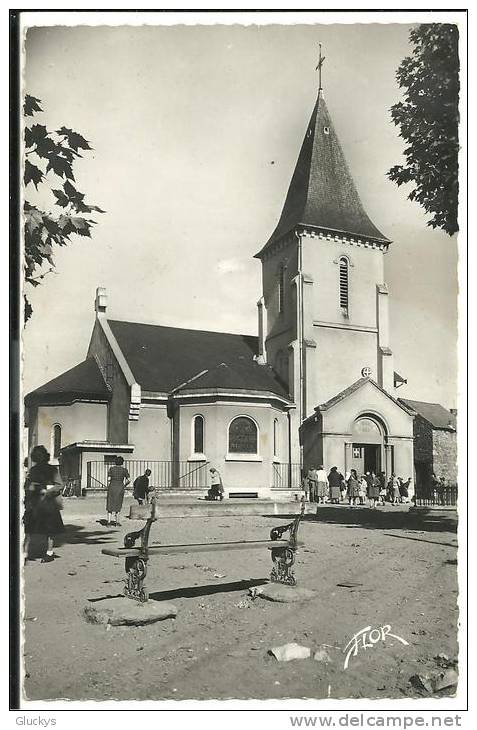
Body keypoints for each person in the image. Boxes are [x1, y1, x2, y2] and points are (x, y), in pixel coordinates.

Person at [24, 445, 64, 563]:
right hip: (35, 502)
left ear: (45, 457)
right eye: (37, 456)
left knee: (50, 529)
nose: (39, 458)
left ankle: (49, 553)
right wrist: (31, 488)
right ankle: (25, 552)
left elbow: (60, 484)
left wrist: (47, 490)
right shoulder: (33, 470)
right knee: (29, 528)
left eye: (41, 455)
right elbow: (28, 485)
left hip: (48, 502)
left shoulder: (53, 470)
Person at [106, 456, 130, 526]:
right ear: (122, 462)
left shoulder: (111, 469)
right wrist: (124, 485)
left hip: (112, 486)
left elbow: (108, 479)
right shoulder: (124, 470)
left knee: (110, 504)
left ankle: (109, 522)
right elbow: (129, 480)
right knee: (118, 503)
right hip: (120, 487)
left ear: (115, 462)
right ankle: (117, 522)